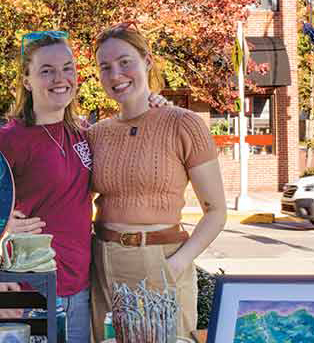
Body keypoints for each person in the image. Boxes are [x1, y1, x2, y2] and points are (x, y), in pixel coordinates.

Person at [0, 31, 168, 343]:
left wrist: (152, 103)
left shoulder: (84, 132)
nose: (60, 78)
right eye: (47, 71)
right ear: (27, 81)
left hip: (78, 290)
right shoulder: (9, 139)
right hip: (27, 293)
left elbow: (129, 137)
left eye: (67, 68)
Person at [87, 22, 227, 341]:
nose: (116, 74)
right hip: (104, 264)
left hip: (162, 260)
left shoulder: (184, 124)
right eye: (105, 67)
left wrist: (177, 265)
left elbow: (216, 211)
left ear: (147, 61)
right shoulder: (95, 135)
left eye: (125, 62)